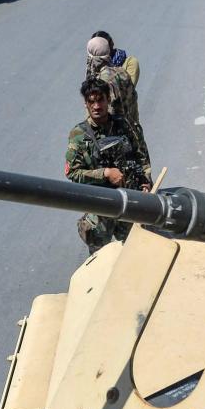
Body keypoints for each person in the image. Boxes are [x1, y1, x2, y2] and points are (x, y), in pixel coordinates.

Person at [65, 78, 152, 254]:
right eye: (91, 101)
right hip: (101, 206)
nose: (96, 106)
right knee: (100, 258)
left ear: (108, 100)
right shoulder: (79, 135)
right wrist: (104, 173)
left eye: (100, 100)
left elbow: (141, 154)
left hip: (129, 202)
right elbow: (73, 173)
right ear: (86, 104)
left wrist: (146, 181)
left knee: (135, 252)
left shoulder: (124, 124)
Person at [85, 35, 150, 171]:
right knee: (140, 179)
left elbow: (102, 115)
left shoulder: (101, 81)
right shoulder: (121, 72)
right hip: (133, 134)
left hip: (113, 142)